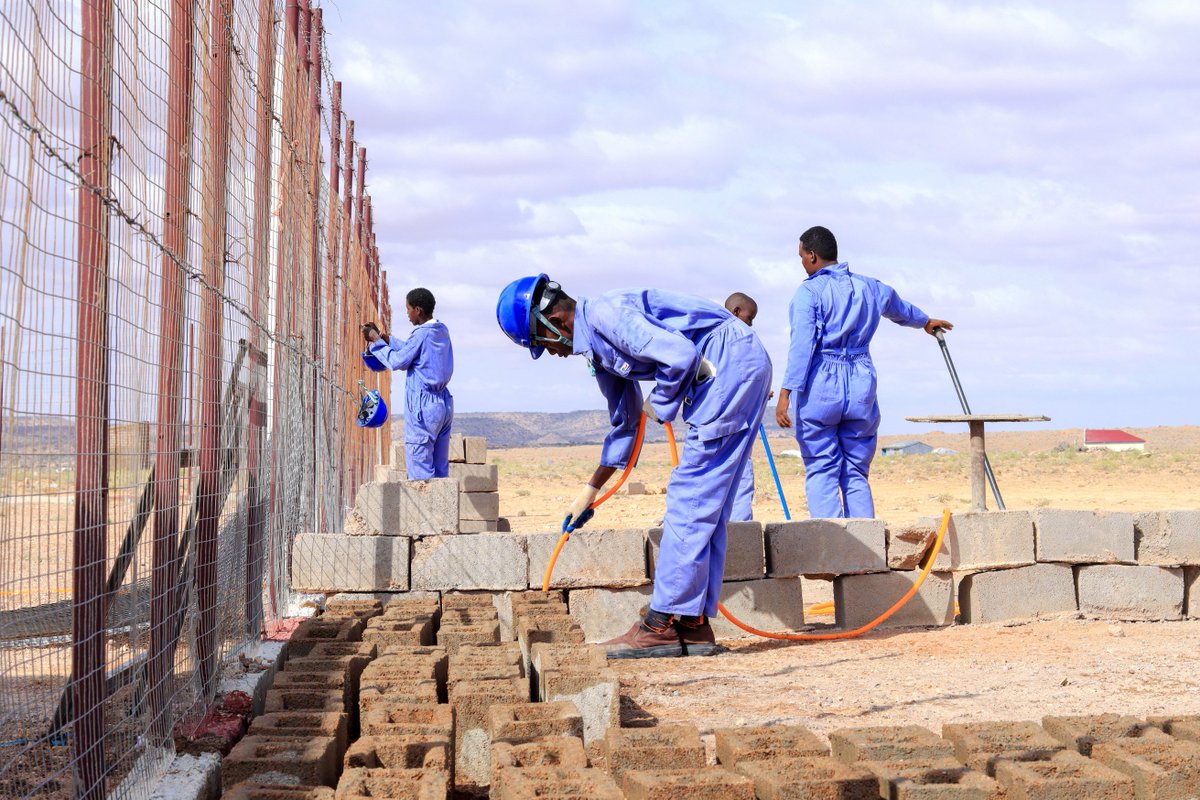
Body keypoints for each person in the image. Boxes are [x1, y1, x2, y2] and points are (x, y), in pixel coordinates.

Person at [497, 276, 772, 658]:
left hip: (729, 364)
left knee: (689, 498)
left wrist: (659, 405)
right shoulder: (596, 350)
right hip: (730, 370)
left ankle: (660, 625)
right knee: (706, 504)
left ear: (552, 321)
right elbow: (625, 422)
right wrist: (590, 491)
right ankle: (691, 625)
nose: (551, 353)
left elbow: (679, 356)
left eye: (541, 343)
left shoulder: (609, 315)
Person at [775, 226, 952, 519]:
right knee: (856, 468)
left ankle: (833, 546)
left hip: (822, 384)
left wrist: (785, 393)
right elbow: (900, 308)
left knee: (821, 465)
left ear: (813, 256)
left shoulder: (809, 292)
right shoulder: (870, 286)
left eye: (802, 257)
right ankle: (865, 548)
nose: (802, 264)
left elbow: (802, 346)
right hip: (860, 383)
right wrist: (925, 322)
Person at [363, 288, 454, 480]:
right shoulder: (440, 330)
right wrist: (388, 339)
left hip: (423, 406)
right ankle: (441, 508)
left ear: (418, 310)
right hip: (443, 404)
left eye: (408, 309)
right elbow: (413, 351)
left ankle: (423, 509)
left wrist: (376, 342)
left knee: (421, 470)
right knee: (439, 471)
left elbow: (398, 361)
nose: (407, 313)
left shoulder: (421, 334)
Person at [724, 292, 765, 522]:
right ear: (736, 312)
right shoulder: (732, 341)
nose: (750, 324)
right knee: (739, 477)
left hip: (734, 419)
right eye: (749, 318)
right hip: (732, 422)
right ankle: (740, 530)